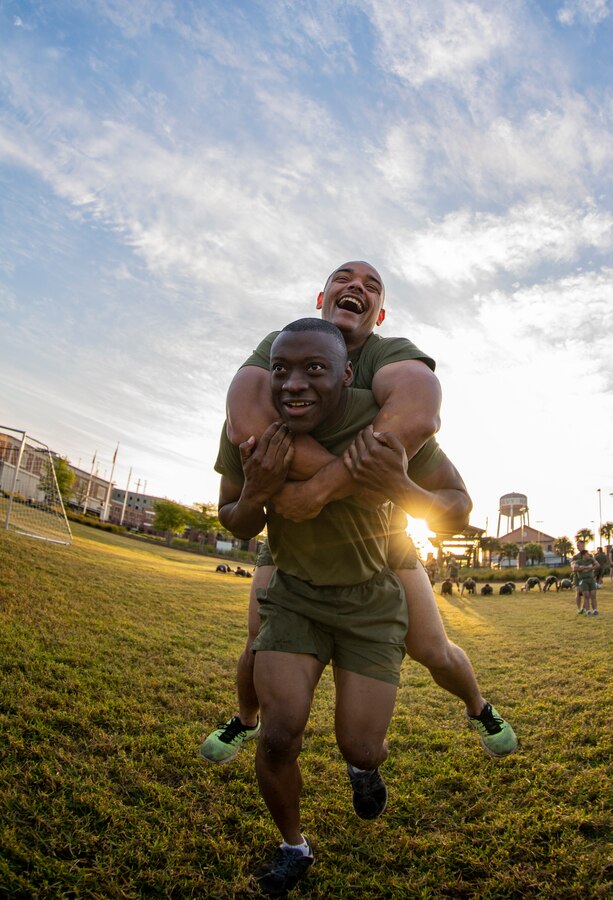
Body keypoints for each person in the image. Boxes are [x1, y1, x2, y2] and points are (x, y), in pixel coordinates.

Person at [201, 260, 517, 765]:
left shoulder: (387, 356)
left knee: (433, 649)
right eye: (343, 279)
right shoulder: (285, 346)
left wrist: (322, 489)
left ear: (380, 315)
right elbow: (248, 418)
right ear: (320, 298)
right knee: (259, 640)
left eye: (371, 286)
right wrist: (345, 485)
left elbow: (417, 413)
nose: (356, 287)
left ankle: (479, 707)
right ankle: (246, 718)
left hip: (382, 539)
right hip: (295, 539)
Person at [215, 319, 445, 894]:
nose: (293, 384)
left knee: (361, 744)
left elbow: (457, 507)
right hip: (293, 595)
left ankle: (364, 768)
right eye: (281, 370)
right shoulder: (252, 428)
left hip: (370, 604)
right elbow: (235, 522)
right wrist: (257, 492)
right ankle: (294, 846)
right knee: (277, 737)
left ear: (347, 374)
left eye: (314, 370)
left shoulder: (378, 419)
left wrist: (400, 486)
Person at [571, 547, 599, 616]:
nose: (588, 555)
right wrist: (583, 568)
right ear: (583, 556)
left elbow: (598, 565)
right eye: (587, 554)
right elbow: (574, 569)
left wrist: (590, 568)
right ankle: (588, 611)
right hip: (583, 580)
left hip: (591, 579)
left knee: (593, 595)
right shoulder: (579, 562)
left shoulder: (591, 560)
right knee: (586, 595)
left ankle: (595, 610)